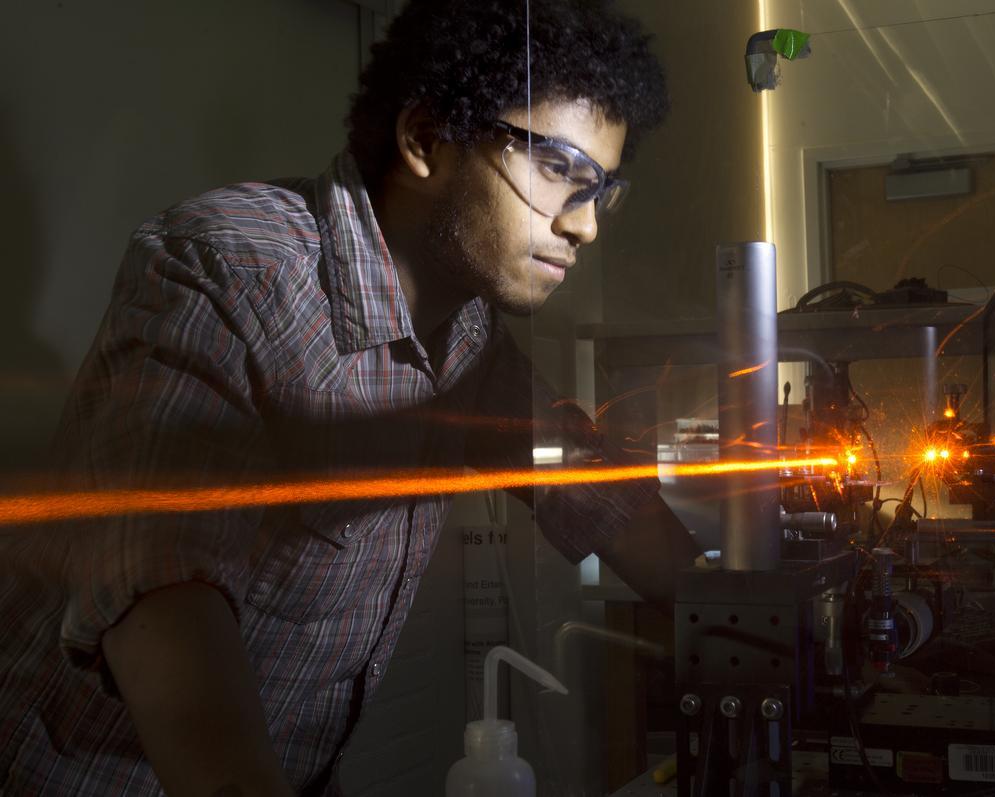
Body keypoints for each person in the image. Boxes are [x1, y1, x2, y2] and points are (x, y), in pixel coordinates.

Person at [0, 0, 699, 793]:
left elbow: (595, 492)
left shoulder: (465, 333)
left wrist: (741, 616)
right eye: (558, 171)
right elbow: (162, 591)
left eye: (600, 189)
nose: (587, 227)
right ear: (427, 138)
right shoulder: (227, 270)